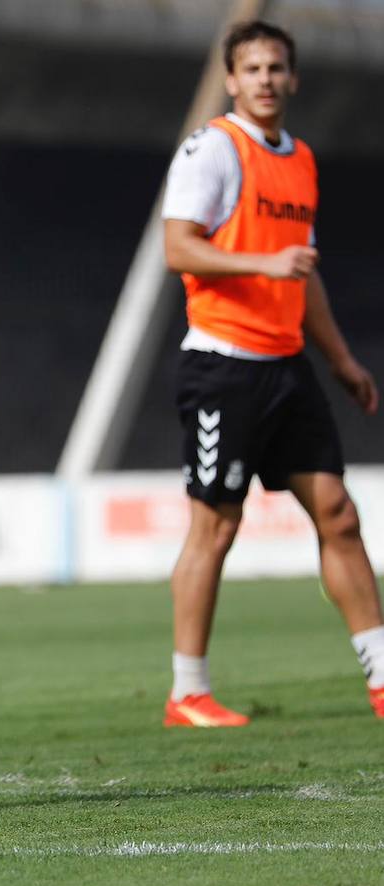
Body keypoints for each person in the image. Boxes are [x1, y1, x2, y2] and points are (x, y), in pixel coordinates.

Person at [161, 20, 383, 727]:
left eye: (276, 68)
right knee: (215, 530)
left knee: (339, 516)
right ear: (232, 79)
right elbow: (178, 249)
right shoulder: (213, 150)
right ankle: (187, 691)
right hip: (222, 368)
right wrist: (263, 263)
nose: (264, 79)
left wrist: (342, 360)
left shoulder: (301, 160)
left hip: (287, 366)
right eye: (251, 68)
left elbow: (304, 273)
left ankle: (382, 678)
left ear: (292, 79)